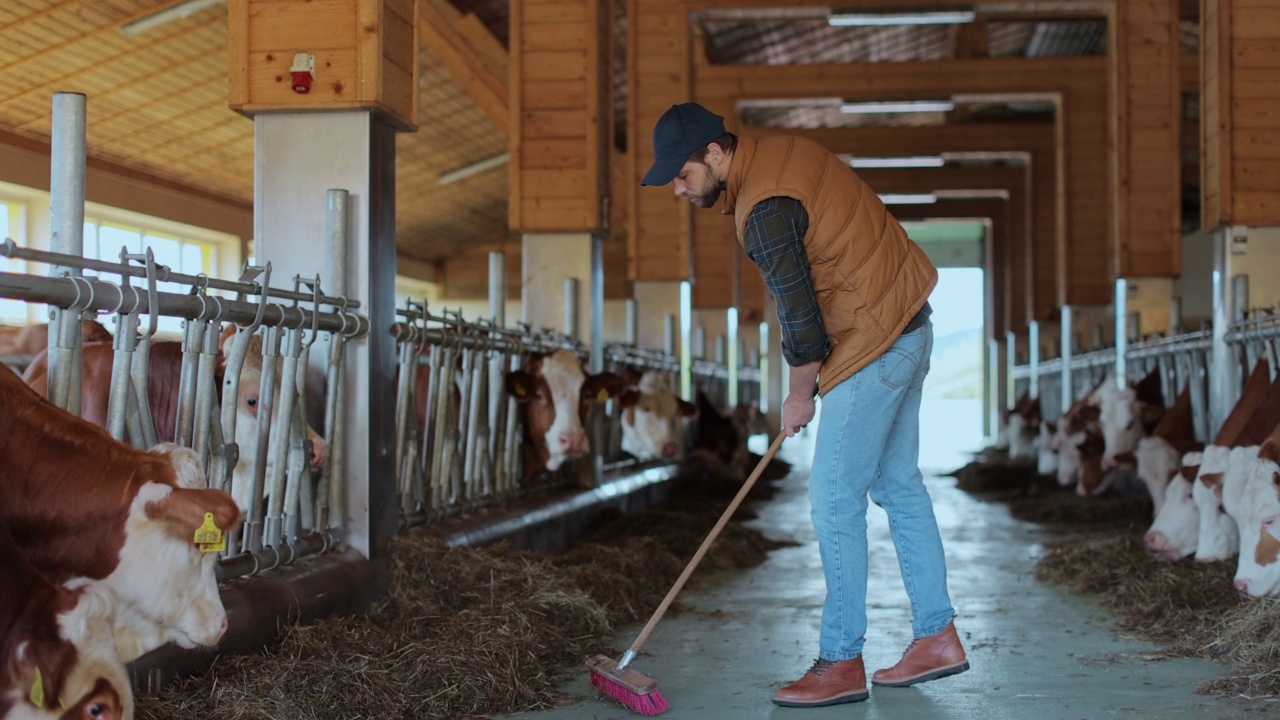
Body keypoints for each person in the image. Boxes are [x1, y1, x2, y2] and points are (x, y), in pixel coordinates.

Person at [641, 102, 968, 707]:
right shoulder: (786, 154)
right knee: (898, 485)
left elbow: (800, 318)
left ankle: (841, 661)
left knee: (834, 500)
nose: (678, 188)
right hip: (909, 323)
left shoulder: (763, 212)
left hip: (872, 341)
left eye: (682, 174)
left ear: (715, 153)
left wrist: (796, 397)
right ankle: (937, 636)